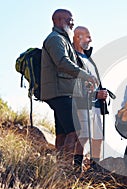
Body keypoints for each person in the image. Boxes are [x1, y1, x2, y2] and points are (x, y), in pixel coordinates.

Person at [41, 9, 96, 166]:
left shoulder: (61, 39)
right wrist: (85, 75)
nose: (72, 23)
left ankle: (58, 167)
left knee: (62, 132)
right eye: (69, 20)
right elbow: (62, 62)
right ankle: (65, 168)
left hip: (62, 91)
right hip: (60, 92)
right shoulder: (55, 39)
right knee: (75, 132)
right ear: (58, 20)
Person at [72, 26, 108, 172]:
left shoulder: (88, 57)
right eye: (87, 36)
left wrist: (101, 93)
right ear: (77, 37)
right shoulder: (72, 57)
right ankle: (76, 168)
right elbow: (75, 85)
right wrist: (94, 95)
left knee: (98, 137)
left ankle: (95, 169)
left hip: (97, 103)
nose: (90, 40)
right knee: (84, 136)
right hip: (82, 103)